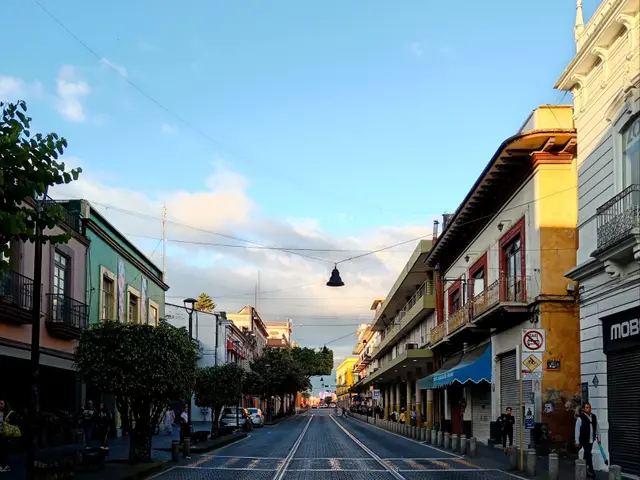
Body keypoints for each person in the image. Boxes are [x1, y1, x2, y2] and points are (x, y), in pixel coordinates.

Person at [575, 402, 600, 478]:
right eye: (587, 407)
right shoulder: (580, 418)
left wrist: (599, 438)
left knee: (587, 454)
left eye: (589, 407)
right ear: (583, 409)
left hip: (592, 439)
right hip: (584, 439)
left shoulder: (594, 417)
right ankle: (591, 470)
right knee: (588, 453)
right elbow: (577, 430)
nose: (588, 409)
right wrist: (577, 441)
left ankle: (583, 469)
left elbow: (597, 428)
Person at [0, 399, 20, 473]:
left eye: (1, 403)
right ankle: (3, 465)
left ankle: (5, 465)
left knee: (3, 451)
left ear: (5, 405)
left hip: (4, 435)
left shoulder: (8, 413)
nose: (0, 405)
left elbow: (16, 422)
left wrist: (9, 419)